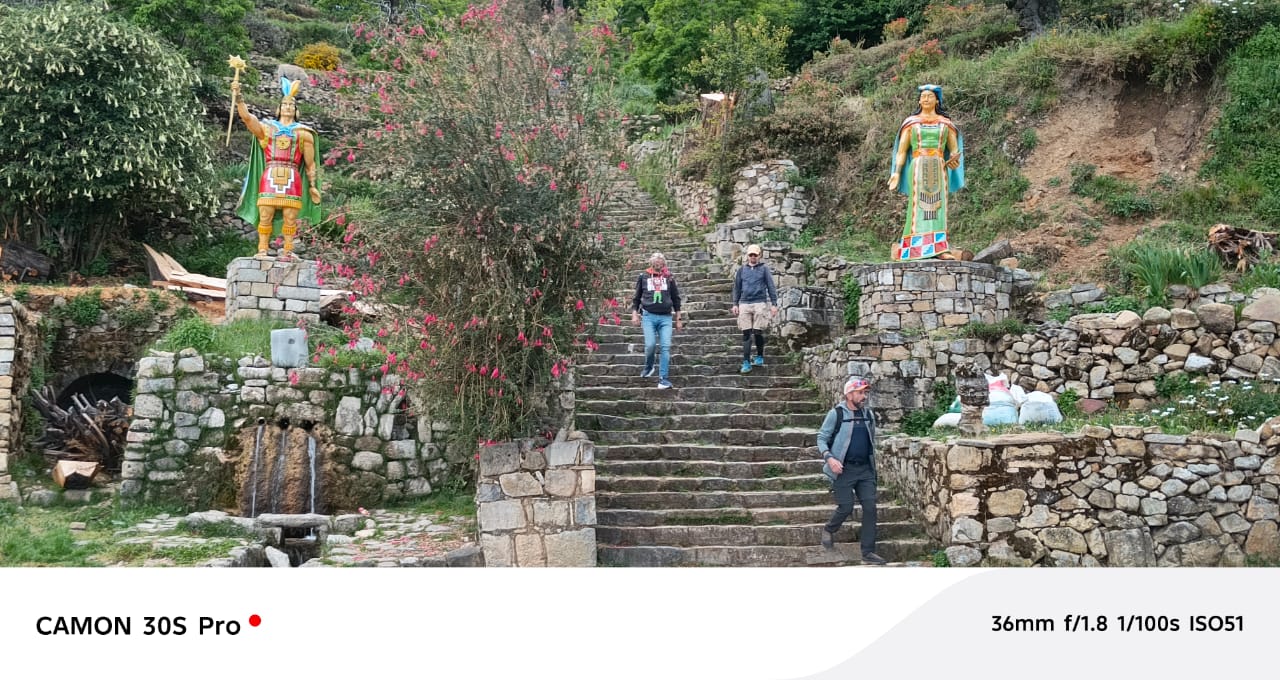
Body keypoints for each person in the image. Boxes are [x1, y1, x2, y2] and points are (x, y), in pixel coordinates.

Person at [233, 76, 323, 257]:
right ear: (279, 108)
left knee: (291, 218)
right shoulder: (267, 128)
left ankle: (288, 251)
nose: (288, 107)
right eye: (285, 105)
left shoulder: (304, 134)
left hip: (292, 177)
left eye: (292, 105)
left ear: (296, 110)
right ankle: (262, 249)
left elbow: (310, 163)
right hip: (271, 175)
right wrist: (239, 98)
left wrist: (313, 186)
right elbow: (248, 119)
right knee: (265, 214)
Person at [887, 84, 965, 262]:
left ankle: (940, 248)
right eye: (923, 96)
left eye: (930, 96)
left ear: (937, 100)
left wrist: (954, 159)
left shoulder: (946, 124)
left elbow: (953, 149)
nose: (926, 99)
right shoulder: (911, 123)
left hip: (938, 166)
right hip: (918, 165)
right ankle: (915, 248)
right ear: (919, 100)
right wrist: (896, 172)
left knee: (938, 207)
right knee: (919, 206)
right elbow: (901, 151)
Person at [817, 376, 887, 565]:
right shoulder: (836, 414)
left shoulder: (868, 415)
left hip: (865, 470)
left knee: (870, 508)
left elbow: (871, 440)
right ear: (849, 395)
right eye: (859, 392)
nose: (863, 396)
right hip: (843, 470)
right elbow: (822, 438)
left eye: (865, 392)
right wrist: (830, 458)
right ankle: (829, 529)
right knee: (846, 507)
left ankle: (868, 552)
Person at [631, 252, 683, 389]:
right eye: (656, 261)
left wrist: (678, 318)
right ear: (651, 262)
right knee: (650, 345)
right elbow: (636, 298)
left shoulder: (669, 278)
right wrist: (634, 314)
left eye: (661, 261)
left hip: (666, 317)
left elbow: (676, 298)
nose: (659, 263)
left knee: (665, 347)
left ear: (664, 263)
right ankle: (649, 367)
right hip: (648, 316)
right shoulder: (643, 276)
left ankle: (663, 379)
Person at [731, 243, 778, 374]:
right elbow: (737, 288)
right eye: (750, 254)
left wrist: (774, 304)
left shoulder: (764, 269)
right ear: (747, 256)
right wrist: (735, 304)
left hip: (760, 303)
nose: (752, 257)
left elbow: (771, 286)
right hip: (745, 303)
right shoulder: (742, 270)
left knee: (758, 331)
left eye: (755, 255)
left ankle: (759, 356)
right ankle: (746, 362)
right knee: (746, 333)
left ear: (759, 256)